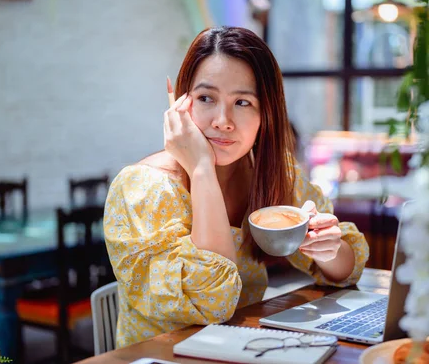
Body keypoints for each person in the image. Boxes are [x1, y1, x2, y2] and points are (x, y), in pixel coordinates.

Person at [103, 26, 369, 348]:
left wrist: (328, 249)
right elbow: (212, 303)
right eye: (205, 98)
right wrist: (201, 168)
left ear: (266, 114)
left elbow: (347, 268)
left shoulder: (271, 172)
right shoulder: (141, 190)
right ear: (181, 106)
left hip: (247, 348)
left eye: (242, 102)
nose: (222, 120)